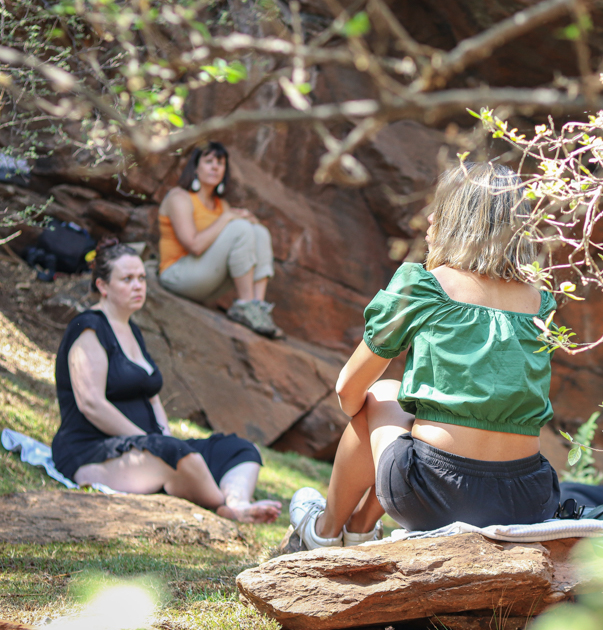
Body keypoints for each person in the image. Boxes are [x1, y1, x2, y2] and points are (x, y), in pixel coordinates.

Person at [288, 162, 561, 549]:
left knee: (382, 391)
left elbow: (347, 389)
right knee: (424, 420)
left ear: (461, 219)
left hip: (436, 494)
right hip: (528, 499)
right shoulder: (541, 303)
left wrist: (372, 426)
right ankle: (361, 531)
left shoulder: (424, 286)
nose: (430, 217)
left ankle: (325, 532)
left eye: (441, 207)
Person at [51, 241, 281, 523]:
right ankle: (226, 507)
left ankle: (237, 500)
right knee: (178, 454)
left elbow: (151, 394)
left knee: (241, 449)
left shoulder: (131, 329)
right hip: (94, 451)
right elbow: (91, 404)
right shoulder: (88, 328)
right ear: (102, 285)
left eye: (141, 278)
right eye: (127, 279)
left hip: (149, 446)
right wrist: (149, 441)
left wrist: (163, 437)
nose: (138, 286)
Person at [158, 142, 281, 337]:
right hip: (177, 275)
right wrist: (227, 219)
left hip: (208, 283)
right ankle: (246, 306)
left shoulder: (221, 205)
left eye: (220, 163)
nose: (215, 167)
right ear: (195, 168)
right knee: (240, 228)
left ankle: (257, 309)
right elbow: (195, 246)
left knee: (259, 232)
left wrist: (250, 222)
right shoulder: (179, 197)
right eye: (208, 161)